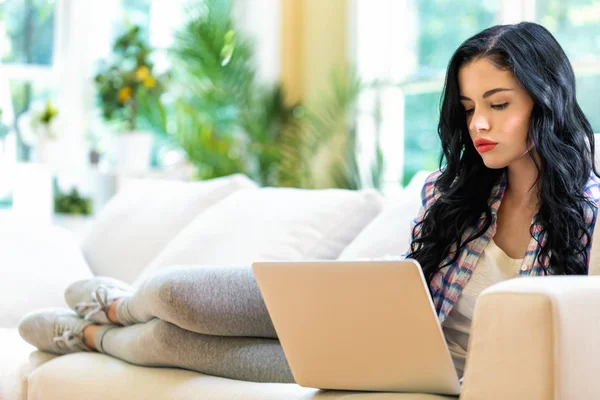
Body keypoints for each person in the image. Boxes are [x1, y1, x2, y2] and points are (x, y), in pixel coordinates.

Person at [18, 21, 600, 384]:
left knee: (180, 346)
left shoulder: (589, 215)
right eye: (470, 107)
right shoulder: (455, 192)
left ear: (546, 100)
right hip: (368, 320)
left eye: (499, 104)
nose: (479, 123)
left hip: (415, 372)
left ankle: (88, 336)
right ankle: (115, 306)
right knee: (177, 294)